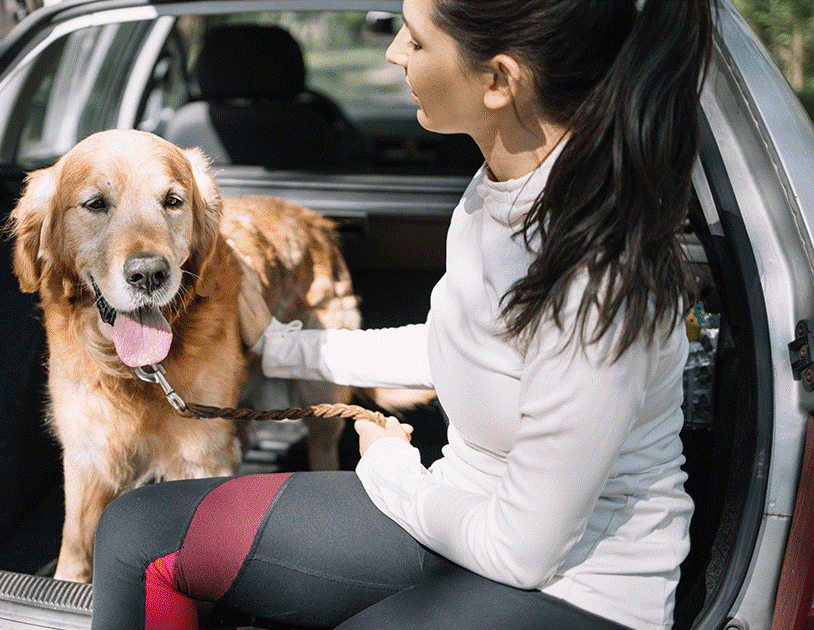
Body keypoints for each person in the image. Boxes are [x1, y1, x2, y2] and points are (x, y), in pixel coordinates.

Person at [90, 0, 712, 628]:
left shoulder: (599, 279)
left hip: (574, 587)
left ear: (498, 81)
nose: (394, 53)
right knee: (138, 534)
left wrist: (389, 466)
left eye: (415, 40)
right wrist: (283, 348)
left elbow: (521, 552)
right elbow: (462, 345)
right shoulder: (498, 189)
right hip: (460, 514)